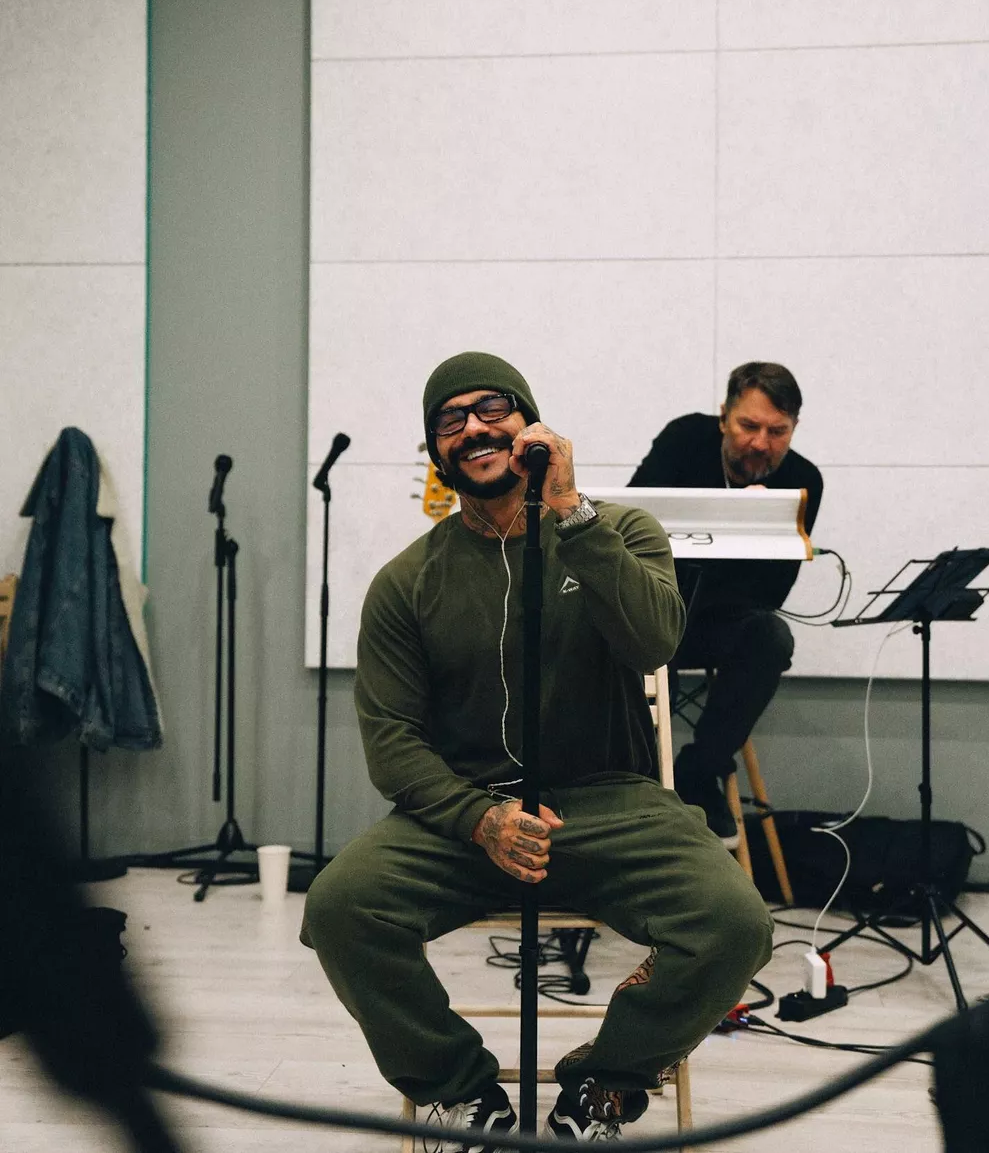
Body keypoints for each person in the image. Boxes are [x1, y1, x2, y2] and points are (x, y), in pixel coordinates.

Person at [301, 351, 772, 1146]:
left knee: (735, 925)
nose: (474, 428)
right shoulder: (405, 582)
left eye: (493, 408)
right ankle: (460, 1089)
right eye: (450, 420)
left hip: (612, 804)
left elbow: (655, 643)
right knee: (342, 906)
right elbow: (392, 741)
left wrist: (572, 515)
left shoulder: (619, 531)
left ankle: (607, 1080)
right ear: (436, 450)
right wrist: (479, 819)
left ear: (531, 425)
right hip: (467, 817)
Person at [629, 361, 823, 847]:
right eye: (748, 426)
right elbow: (629, 530)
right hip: (658, 607)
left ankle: (700, 772)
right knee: (644, 648)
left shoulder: (802, 481)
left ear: (795, 427)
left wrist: (752, 522)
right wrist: (725, 515)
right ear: (723, 418)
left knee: (771, 638)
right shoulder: (684, 440)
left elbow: (770, 595)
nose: (760, 443)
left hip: (720, 622)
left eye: (777, 432)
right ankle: (640, 784)